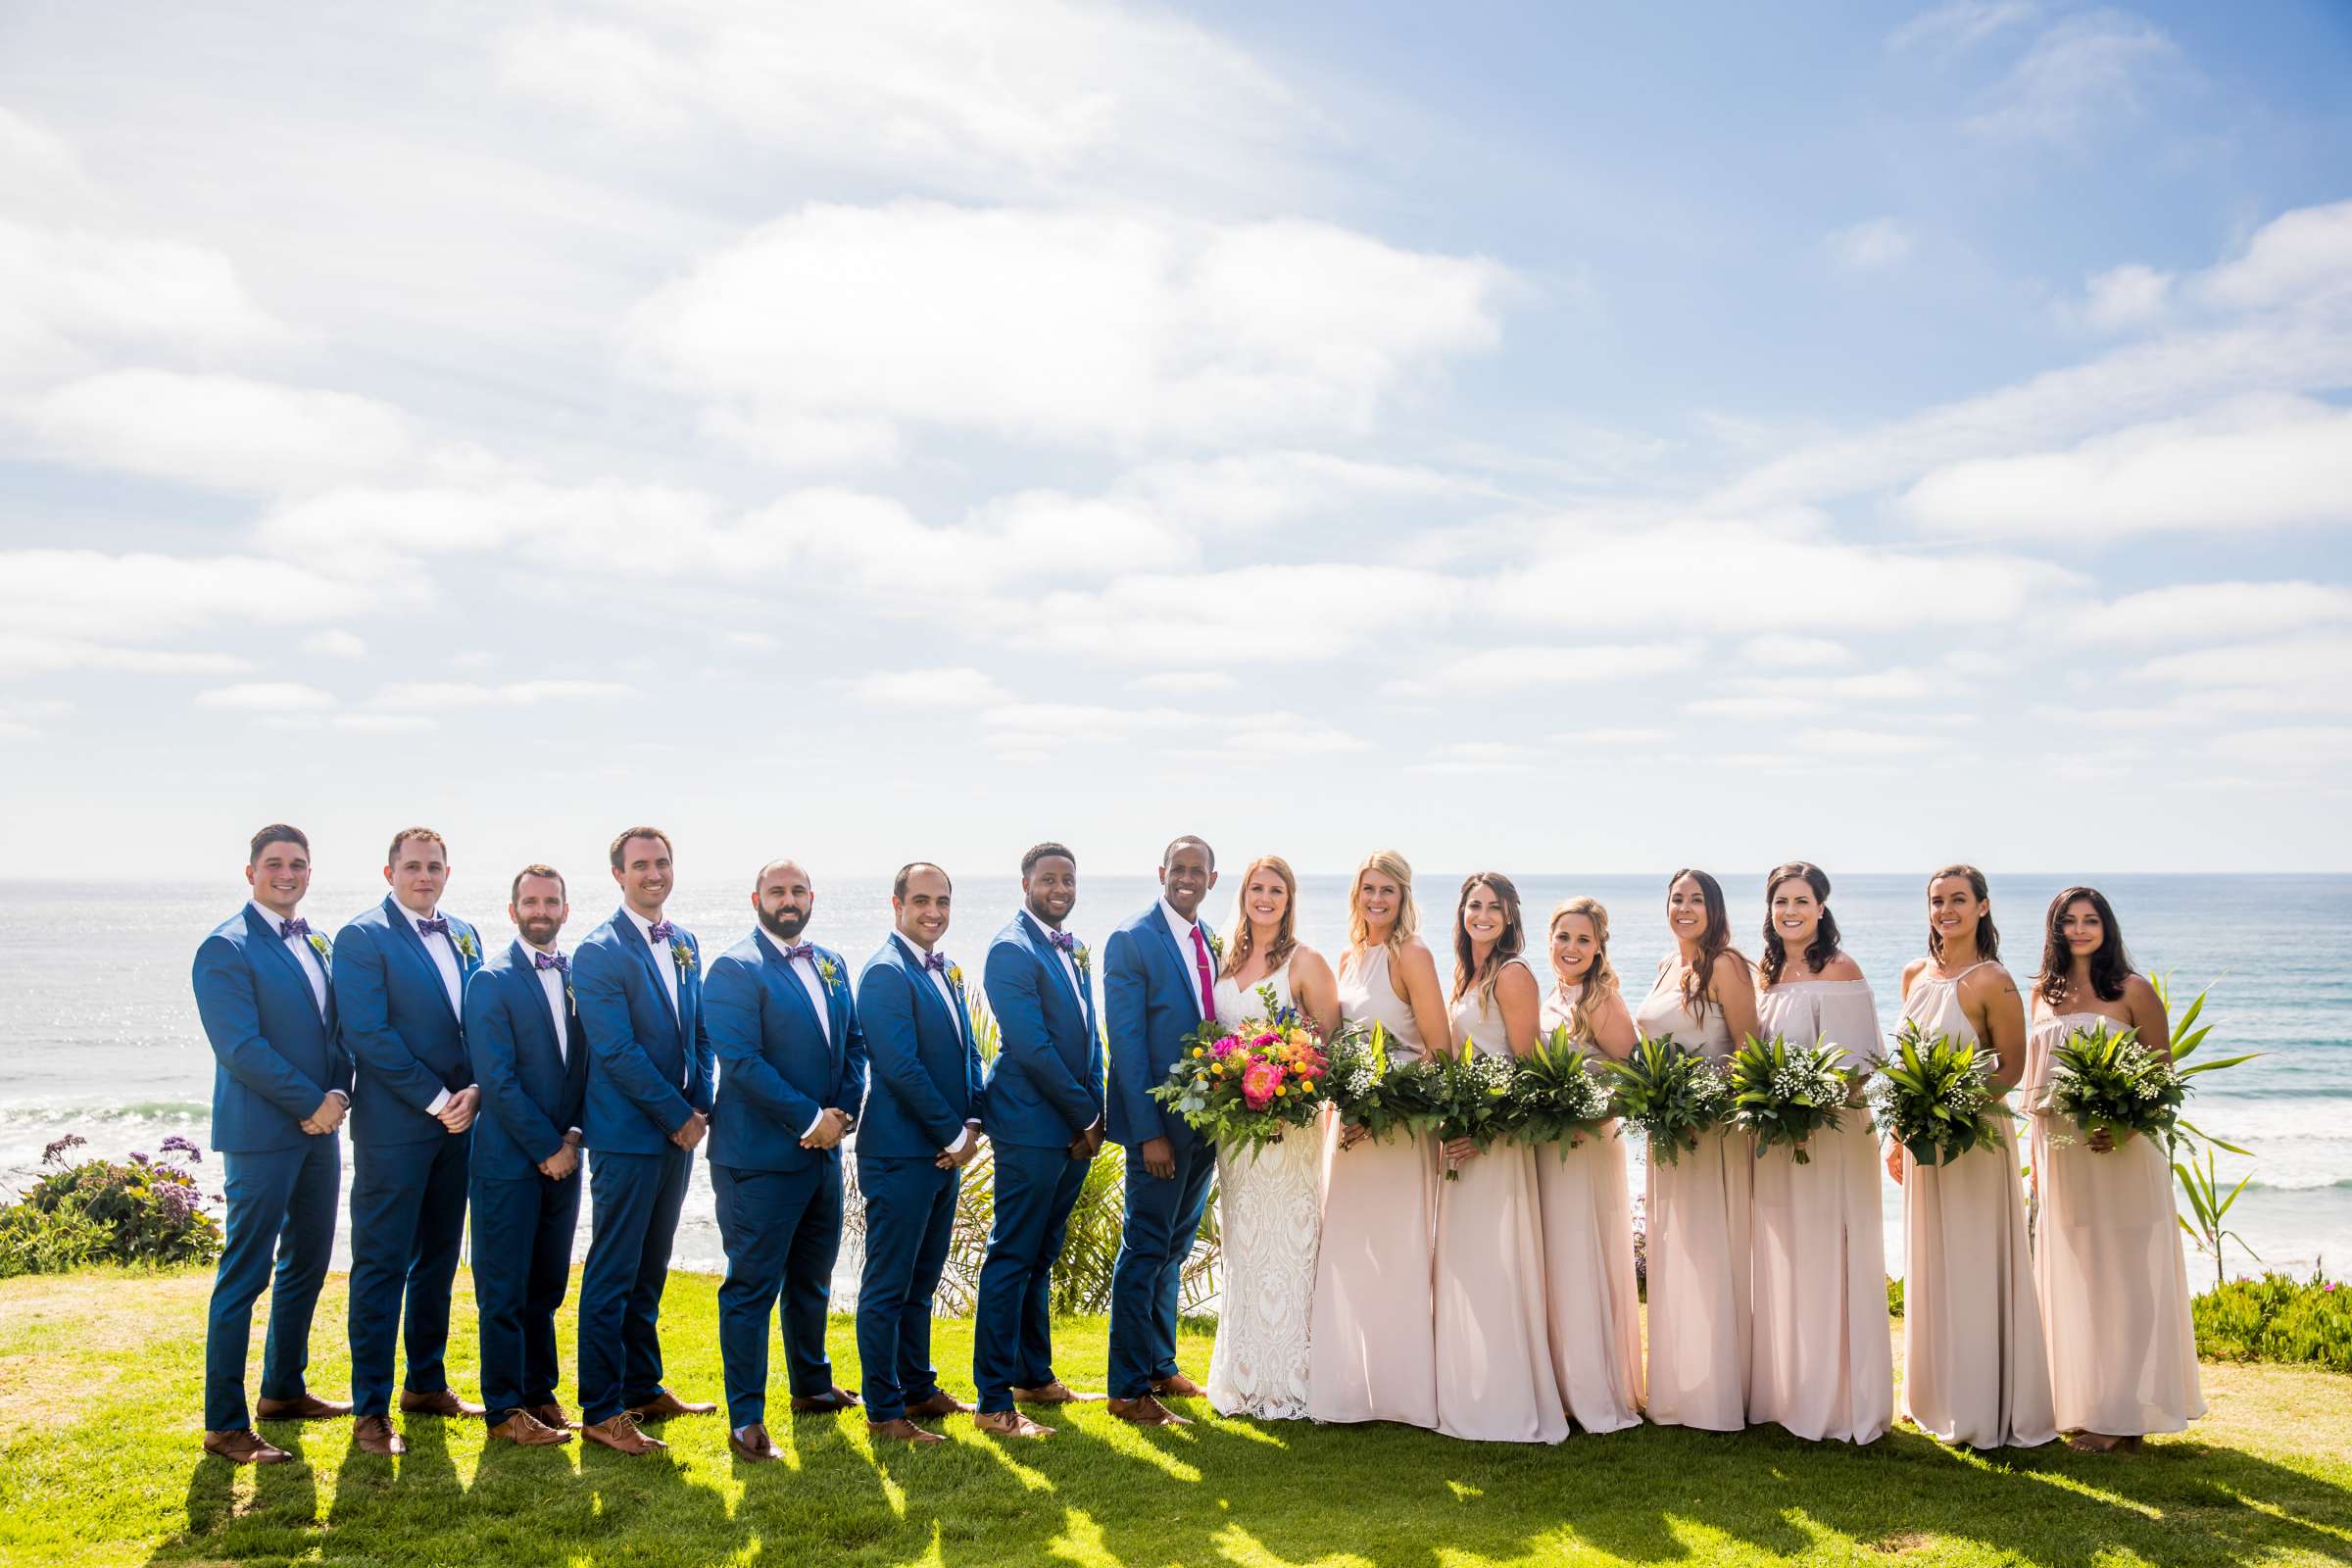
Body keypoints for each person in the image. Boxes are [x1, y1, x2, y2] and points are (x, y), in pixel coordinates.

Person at [191, 824, 353, 1463]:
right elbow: (240, 1048)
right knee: (246, 1272)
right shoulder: (224, 948)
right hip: (262, 1134)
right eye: (275, 863)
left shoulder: (320, 940)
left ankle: (283, 1390)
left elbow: (339, 1030)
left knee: (308, 1261)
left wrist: (338, 1095)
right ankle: (224, 1423)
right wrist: (309, 1103)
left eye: (298, 864)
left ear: (309, 874)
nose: (287, 873)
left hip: (321, 1130)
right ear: (251, 871)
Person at [2025, 886, 2204, 1452]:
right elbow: (2035, 1085)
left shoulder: (2134, 990)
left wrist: (2125, 1127)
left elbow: (2162, 1076)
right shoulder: (2040, 995)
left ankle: (2124, 1415)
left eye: (2090, 920)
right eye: (2069, 921)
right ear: (2055, 931)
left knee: (2128, 1279)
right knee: (2077, 1274)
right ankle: (2083, 1403)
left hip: (2122, 1152)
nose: (2080, 930)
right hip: (2061, 1155)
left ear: (2107, 927)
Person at [703, 858, 869, 1462]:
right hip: (759, 1159)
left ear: (812, 896)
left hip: (823, 1153)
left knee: (811, 1278)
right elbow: (741, 1063)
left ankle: (811, 1386)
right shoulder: (733, 968)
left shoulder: (831, 962)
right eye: (778, 890)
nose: (789, 899)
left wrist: (841, 1115)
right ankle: (746, 1418)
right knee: (751, 1287)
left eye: (798, 889)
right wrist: (809, 1120)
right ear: (756, 899)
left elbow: (853, 1045)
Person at [334, 827, 487, 1455]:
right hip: (398, 1130)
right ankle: (371, 1409)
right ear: (390, 872)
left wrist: (476, 1091)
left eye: (435, 867)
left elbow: (481, 1022)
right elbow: (367, 1034)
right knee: (380, 1266)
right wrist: (436, 1100)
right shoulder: (362, 937)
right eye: (413, 867)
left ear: (447, 873)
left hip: (461, 1126)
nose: (425, 876)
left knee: (440, 1260)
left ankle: (425, 1383)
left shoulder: (466, 933)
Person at [1892, 864, 2057, 1449]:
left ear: (1983, 907)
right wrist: (1899, 1132)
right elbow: (1904, 1061)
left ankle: (1983, 1403)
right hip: (1921, 1141)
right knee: (1931, 1260)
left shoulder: (1996, 981)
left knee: (1973, 1259)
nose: (1945, 911)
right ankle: (1933, 1394)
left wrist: (1952, 1108)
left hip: (1974, 1137)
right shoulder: (1915, 974)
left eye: (1958, 900)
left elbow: (2010, 1068)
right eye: (1937, 901)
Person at [570, 826, 718, 1455]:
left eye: (662, 863)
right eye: (640, 866)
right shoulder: (598, 951)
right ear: (618, 875)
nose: (653, 874)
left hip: (679, 1133)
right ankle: (602, 1409)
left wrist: (702, 1103)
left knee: (652, 1266)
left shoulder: (683, 942)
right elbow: (617, 1051)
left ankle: (643, 1384)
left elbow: (700, 1035)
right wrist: (673, 1114)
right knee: (613, 1268)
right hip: (629, 1135)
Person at [1747, 862, 1892, 1445]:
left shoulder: (1841, 969)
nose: (1790, 910)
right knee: (1788, 1257)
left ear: (1822, 908)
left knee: (1832, 1253)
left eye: (1802, 900)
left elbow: (1856, 1068)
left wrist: (1808, 1112)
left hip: (1828, 1135)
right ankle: (1791, 1393)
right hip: (1777, 1138)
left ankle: (1839, 1403)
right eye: (1781, 900)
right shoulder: (1765, 972)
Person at [1307, 849, 1450, 1429]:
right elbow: (1342, 1045)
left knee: (1397, 1252)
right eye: (1368, 889)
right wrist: (1344, 1095)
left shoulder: (1411, 955)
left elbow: (1438, 1052)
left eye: (1387, 890)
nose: (1376, 899)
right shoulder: (1348, 956)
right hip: (1350, 1130)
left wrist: (1382, 1099)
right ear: (1356, 894)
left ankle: (1402, 1394)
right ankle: (1352, 1389)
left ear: (1403, 897)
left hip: (1397, 1130)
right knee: (1348, 1253)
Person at [973, 843, 1105, 1438]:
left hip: (1072, 1129)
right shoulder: (1010, 948)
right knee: (1011, 1256)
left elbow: (1089, 1037)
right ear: (1025, 883)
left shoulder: (1072, 948)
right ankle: (993, 1399)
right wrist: (1085, 1114)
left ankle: (1034, 1373)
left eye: (1067, 879)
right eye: (1048, 878)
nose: (1059, 888)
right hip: (1029, 1127)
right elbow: (1031, 1048)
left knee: (1041, 1256)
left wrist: (1095, 1110)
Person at [854, 863, 986, 1444]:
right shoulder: (884, 973)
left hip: (941, 1153)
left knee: (921, 1281)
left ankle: (918, 1387)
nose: (934, 911)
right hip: (901, 1155)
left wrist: (974, 1120)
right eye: (922, 901)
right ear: (897, 904)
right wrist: (953, 1138)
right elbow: (899, 1067)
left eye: (943, 901)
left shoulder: (946, 970)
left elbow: (967, 1055)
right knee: (887, 1287)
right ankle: (884, 1412)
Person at [1204, 854, 1339, 1421]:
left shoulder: (1305, 960)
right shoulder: (1222, 958)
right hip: (1236, 1134)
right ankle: (1246, 1376)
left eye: (1276, 890)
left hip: (1290, 1130)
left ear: (1289, 900)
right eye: (1257, 888)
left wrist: (1291, 1081)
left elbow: (1330, 1048)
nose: (1265, 897)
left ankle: (1297, 1379)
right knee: (1246, 1244)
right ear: (1243, 895)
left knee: (1292, 1243)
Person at [1435, 873, 1567, 1444]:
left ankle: (1507, 1405)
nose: (1482, 915)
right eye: (1474, 905)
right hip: (1465, 1135)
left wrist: (1488, 1133)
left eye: (1494, 907)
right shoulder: (1469, 975)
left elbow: (1529, 1066)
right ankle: (1470, 1392)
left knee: (1496, 1267)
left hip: (1496, 1143)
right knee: (1467, 1266)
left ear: (1511, 916)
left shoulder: (1512, 975)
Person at [462, 863, 589, 1446]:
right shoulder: (491, 980)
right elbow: (497, 1078)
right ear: (513, 911)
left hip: (566, 1156)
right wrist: (544, 1147)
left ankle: (540, 1392)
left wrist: (572, 1139)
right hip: (509, 1162)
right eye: (531, 903)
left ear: (565, 910)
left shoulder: (574, 976)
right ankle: (505, 1408)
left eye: (552, 902)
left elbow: (584, 1068)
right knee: (505, 1290)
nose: (542, 911)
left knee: (546, 1287)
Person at [1634, 868, 1760, 1433]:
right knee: (1676, 1252)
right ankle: (1681, 1387)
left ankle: (1719, 1393)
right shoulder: (1667, 967)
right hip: (1669, 1133)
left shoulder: (1727, 965)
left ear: (1714, 908)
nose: (1685, 908)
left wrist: (1703, 1103)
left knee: (1713, 1252)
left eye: (1696, 900)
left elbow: (1748, 1051)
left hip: (1712, 1132)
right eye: (1677, 899)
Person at [1103, 835, 1222, 1427]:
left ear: (1212, 879)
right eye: (1178, 869)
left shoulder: (1207, 941)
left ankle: (1159, 1363)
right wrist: (1147, 1132)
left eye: (1197, 871)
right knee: (1145, 1248)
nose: (1187, 878)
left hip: (1203, 1127)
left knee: (1174, 1249)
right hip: (1159, 1131)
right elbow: (1124, 1044)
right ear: (1161, 872)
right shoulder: (1132, 939)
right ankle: (1126, 1390)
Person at [1533, 897, 1644, 1434]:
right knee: (1556, 1258)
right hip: (1549, 1146)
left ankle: (1594, 1387)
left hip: (1589, 1145)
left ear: (1599, 947)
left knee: (1583, 1256)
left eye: (1582, 939)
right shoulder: (1547, 997)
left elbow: (1634, 1075)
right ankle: (1557, 1382)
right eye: (1562, 937)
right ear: (1548, 940)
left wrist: (1589, 1111)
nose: (1571, 948)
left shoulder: (1602, 1001)